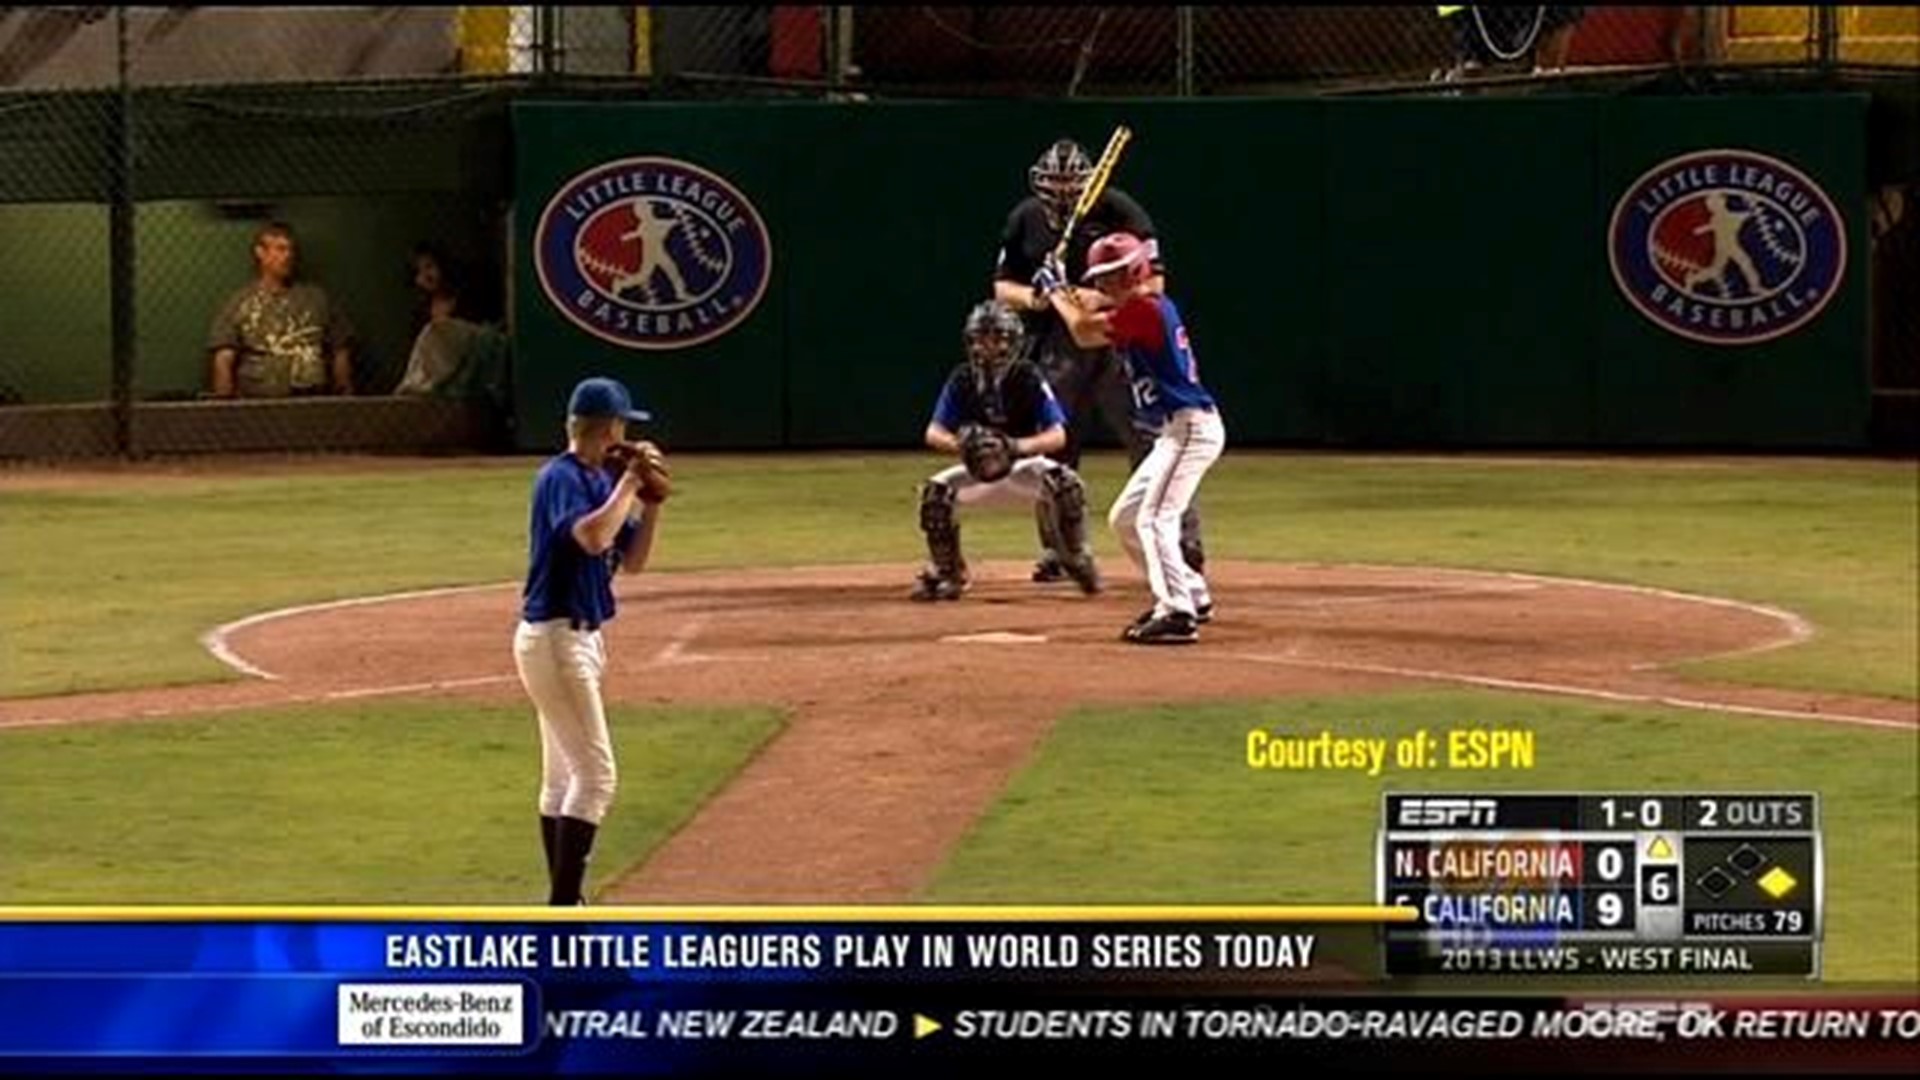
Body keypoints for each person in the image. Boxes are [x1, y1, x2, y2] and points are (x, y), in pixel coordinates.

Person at [991, 137, 1206, 586]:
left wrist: (1082, 294)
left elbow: (1153, 285)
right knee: (1054, 445)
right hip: (1056, 348)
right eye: (1056, 184)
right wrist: (1041, 294)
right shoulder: (1026, 219)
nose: (1066, 193)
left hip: (1117, 343)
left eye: (1073, 184)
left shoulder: (1121, 212)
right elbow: (1003, 289)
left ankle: (1184, 546)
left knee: (1150, 441)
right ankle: (1060, 550)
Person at [513, 376, 670, 905]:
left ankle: (562, 904)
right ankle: (565, 909)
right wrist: (629, 482)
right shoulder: (559, 477)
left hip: (575, 639)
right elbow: (592, 537)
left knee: (563, 778)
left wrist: (651, 503)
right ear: (611, 430)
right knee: (597, 777)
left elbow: (634, 561)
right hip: (556, 639)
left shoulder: (603, 482)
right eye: (624, 427)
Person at [1039, 232, 1224, 645]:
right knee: (1125, 518)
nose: (1103, 285)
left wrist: (1053, 289)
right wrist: (1063, 288)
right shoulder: (1139, 305)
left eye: (1110, 276)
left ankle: (1176, 611)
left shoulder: (1144, 309)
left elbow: (1084, 332)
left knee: (1154, 518)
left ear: (1132, 273)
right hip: (1173, 432)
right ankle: (1192, 593)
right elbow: (1091, 306)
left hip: (1191, 428)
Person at [912, 299, 1100, 602]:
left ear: (1014, 342)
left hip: (1021, 467)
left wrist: (1015, 447)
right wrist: (963, 445)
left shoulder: (1028, 376)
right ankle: (950, 571)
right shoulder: (962, 379)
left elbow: (1058, 435)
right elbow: (933, 432)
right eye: (980, 339)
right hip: (978, 471)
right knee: (934, 494)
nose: (987, 348)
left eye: (997, 338)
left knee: (1066, 484)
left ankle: (1077, 557)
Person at [206, 221, 356, 398]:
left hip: (312, 399)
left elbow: (340, 348)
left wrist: (343, 390)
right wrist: (225, 405)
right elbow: (223, 359)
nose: (288, 256)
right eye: (280, 249)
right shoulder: (241, 303)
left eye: (290, 250)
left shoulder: (317, 299)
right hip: (259, 402)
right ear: (260, 252)